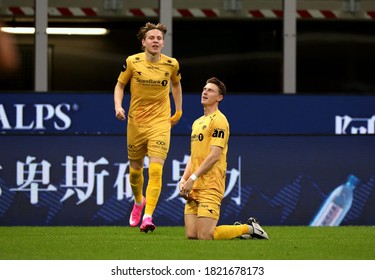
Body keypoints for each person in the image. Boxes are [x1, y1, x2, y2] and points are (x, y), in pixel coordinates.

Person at [179, 77, 269, 240]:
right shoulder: (197, 122)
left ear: (219, 98)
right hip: (194, 184)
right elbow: (194, 156)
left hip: (211, 184)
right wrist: (184, 179)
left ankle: (248, 228)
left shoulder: (220, 121)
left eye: (210, 90)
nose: (205, 92)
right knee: (192, 235)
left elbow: (214, 155)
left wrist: (192, 177)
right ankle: (239, 232)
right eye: (204, 89)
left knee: (206, 235)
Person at [114, 22, 183, 233]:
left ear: (163, 43)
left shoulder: (171, 64)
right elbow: (120, 85)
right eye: (151, 38)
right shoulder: (132, 62)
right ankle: (138, 202)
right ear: (143, 42)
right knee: (135, 171)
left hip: (160, 122)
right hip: (136, 122)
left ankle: (148, 216)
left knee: (155, 169)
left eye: (159, 38)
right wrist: (118, 106)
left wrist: (178, 111)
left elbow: (176, 85)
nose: (155, 41)